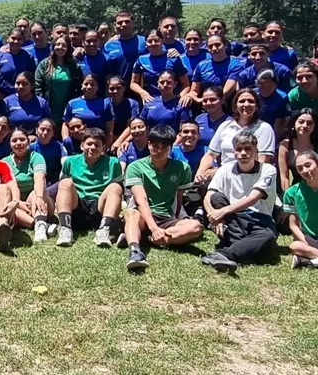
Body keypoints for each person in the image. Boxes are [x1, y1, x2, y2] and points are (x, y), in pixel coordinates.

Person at [120, 125, 205, 272]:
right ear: (148, 144)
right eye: (155, 146)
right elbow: (141, 200)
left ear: (171, 147)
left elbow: (179, 197)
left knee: (196, 227)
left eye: (164, 147)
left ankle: (148, 239)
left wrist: (179, 219)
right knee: (131, 213)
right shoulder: (135, 167)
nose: (159, 151)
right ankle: (135, 252)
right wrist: (153, 227)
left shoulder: (182, 168)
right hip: (144, 215)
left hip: (167, 217)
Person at [199, 131, 281, 275]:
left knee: (268, 236)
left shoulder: (268, 170)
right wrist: (214, 216)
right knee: (217, 197)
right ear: (233, 152)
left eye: (248, 149)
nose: (243, 153)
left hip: (259, 220)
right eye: (239, 149)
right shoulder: (224, 170)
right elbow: (209, 196)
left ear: (256, 151)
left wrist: (222, 212)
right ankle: (246, 248)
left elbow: (254, 198)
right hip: (233, 219)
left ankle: (225, 253)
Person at [196, 90, 276, 186]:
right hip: (224, 180)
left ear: (257, 105)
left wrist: (220, 171)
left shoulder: (264, 128)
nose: (246, 104)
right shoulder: (225, 126)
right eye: (242, 101)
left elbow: (262, 160)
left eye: (250, 101)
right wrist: (200, 172)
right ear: (235, 106)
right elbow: (211, 154)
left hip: (251, 180)